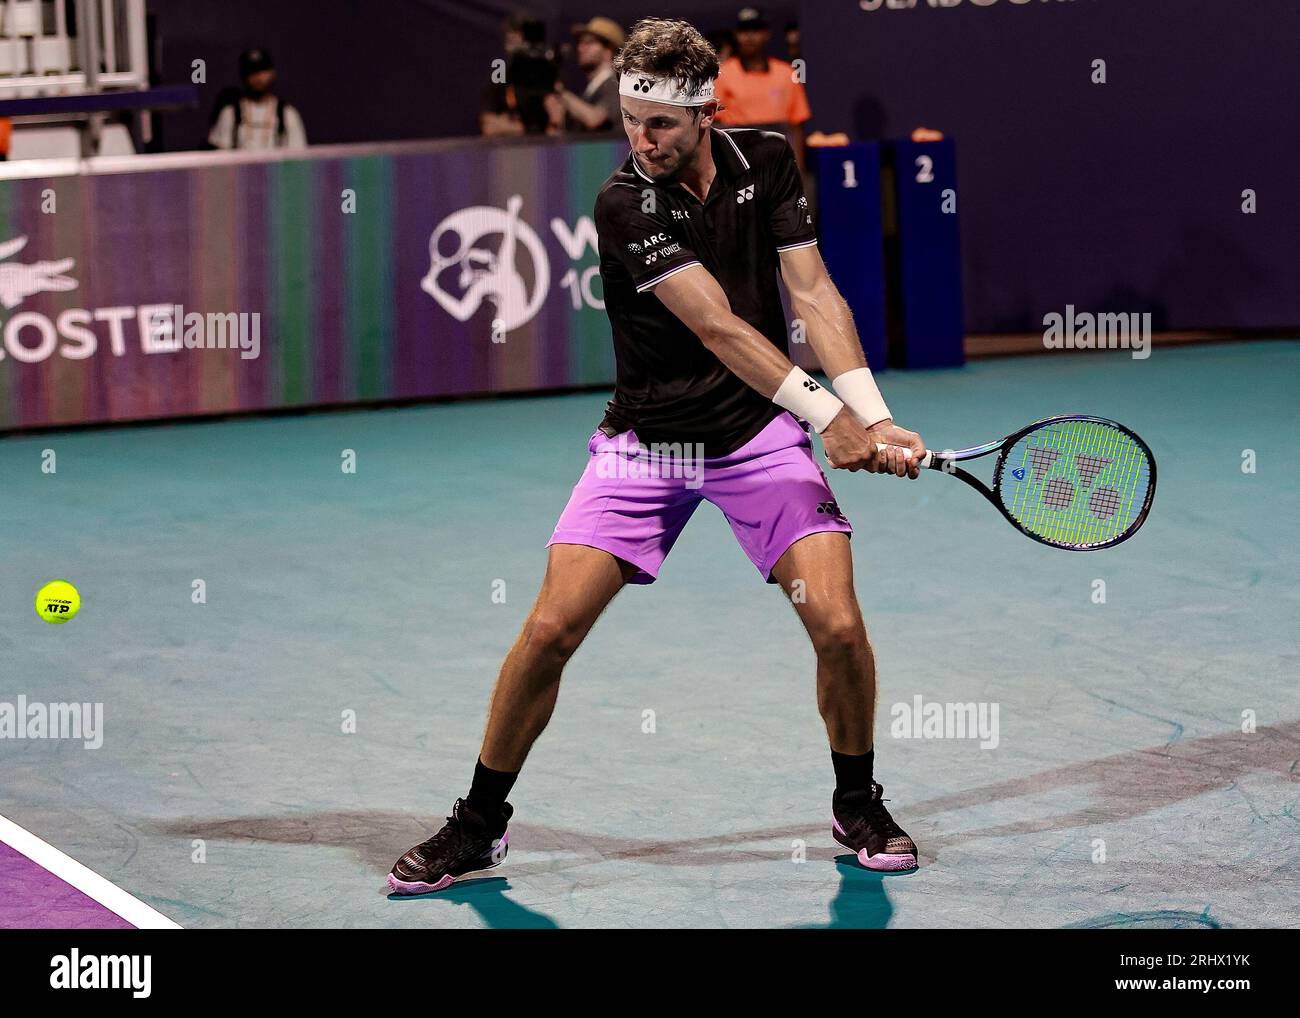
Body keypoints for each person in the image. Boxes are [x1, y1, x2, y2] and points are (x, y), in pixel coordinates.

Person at [388, 16, 925, 896]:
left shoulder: (770, 162)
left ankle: (857, 800)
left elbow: (814, 290)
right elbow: (717, 326)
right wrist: (830, 415)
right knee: (551, 629)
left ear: (706, 112)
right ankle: (478, 823)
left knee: (836, 623)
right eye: (630, 120)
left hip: (758, 438)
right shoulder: (624, 201)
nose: (641, 139)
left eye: (660, 123)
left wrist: (873, 412)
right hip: (650, 446)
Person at [713, 7, 811, 169]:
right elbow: (712, 125)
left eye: (755, 30)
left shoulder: (786, 73)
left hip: (778, 156)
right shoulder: (723, 74)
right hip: (738, 156)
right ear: (736, 35)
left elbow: (796, 126)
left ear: (766, 34)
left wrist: (798, 169)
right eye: (744, 31)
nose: (749, 37)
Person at [207, 48, 307, 151]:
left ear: (272, 73)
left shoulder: (287, 114)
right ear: (243, 76)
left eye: (262, 70)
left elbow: (298, 158)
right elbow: (220, 159)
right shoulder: (230, 113)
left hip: (275, 167)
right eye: (252, 72)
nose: (258, 77)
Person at [554, 16, 625, 134]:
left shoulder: (615, 84)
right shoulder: (592, 89)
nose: (580, 48)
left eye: (589, 43)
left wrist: (559, 91)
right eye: (580, 43)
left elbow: (594, 119)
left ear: (608, 50)